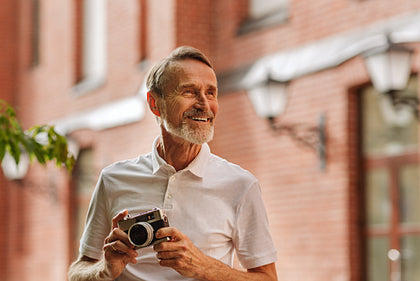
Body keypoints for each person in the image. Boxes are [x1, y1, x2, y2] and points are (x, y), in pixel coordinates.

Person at [68, 46, 278, 281]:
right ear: (155, 103)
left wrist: (204, 267)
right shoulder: (113, 178)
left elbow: (267, 278)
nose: (204, 105)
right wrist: (104, 270)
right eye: (189, 92)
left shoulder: (241, 185)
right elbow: (78, 271)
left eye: (211, 93)